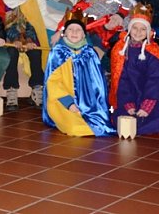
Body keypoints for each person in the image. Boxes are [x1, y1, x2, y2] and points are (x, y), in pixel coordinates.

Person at [43, 9, 115, 137]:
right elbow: (53, 83)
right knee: (76, 128)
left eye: (78, 30)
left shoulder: (89, 53)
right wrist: (69, 103)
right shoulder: (58, 53)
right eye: (71, 29)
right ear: (64, 33)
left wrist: (92, 103)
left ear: (84, 35)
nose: (74, 32)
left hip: (87, 103)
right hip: (62, 102)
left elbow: (97, 83)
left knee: (100, 124)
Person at [108, 4, 159, 135]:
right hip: (129, 95)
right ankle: (132, 124)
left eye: (143, 29)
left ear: (148, 32)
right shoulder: (120, 50)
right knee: (117, 116)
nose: (138, 32)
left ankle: (137, 126)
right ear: (129, 29)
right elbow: (121, 79)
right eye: (135, 28)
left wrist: (146, 106)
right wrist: (128, 103)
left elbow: (155, 79)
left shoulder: (153, 51)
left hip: (151, 96)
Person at [0, 0, 46, 111]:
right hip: (8, 37)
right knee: (11, 54)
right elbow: (5, 24)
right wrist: (14, 39)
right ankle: (11, 90)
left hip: (27, 37)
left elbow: (32, 22)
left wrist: (30, 39)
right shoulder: (3, 0)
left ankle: (37, 87)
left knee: (36, 53)